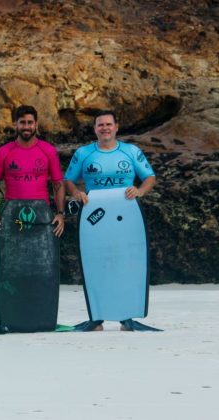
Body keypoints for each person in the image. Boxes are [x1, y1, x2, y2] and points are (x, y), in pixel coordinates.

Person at [63, 110, 157, 332]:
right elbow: (67, 180)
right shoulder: (84, 153)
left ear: (116, 127)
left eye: (108, 124)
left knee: (126, 263)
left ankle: (127, 317)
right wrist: (77, 193)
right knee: (96, 263)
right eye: (100, 125)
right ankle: (97, 317)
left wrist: (140, 191)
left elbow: (149, 177)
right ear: (95, 129)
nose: (104, 128)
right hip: (94, 215)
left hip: (126, 213)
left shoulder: (131, 151)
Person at [0, 105, 65, 234]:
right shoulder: (3, 152)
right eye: (22, 122)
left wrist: (60, 213)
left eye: (30, 122)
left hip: (42, 213)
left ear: (36, 124)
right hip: (12, 213)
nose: (26, 127)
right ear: (15, 124)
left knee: (42, 253)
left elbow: (58, 184)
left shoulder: (48, 150)